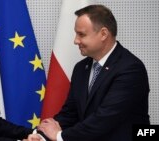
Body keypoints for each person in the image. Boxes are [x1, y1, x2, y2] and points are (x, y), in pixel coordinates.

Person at [29, 4, 150, 141]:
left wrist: (59, 136)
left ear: (103, 34)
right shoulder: (81, 68)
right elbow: (70, 114)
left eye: (81, 34)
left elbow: (104, 118)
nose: (75, 40)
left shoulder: (130, 69)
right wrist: (41, 136)